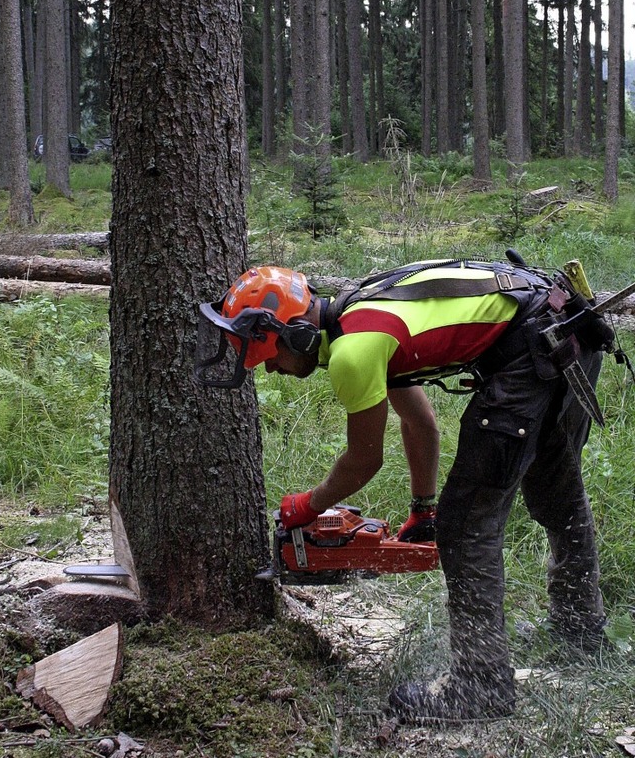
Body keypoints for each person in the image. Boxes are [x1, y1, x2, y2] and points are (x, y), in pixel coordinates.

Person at [197, 257, 613, 724]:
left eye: (269, 354)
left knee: (469, 524)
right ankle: (580, 629)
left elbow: (363, 461)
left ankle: (481, 686)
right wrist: (423, 508)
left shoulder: (355, 352)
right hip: (565, 332)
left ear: (294, 333)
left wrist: (306, 505)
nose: (270, 369)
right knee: (555, 493)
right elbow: (420, 422)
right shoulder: (360, 313)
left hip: (535, 350)